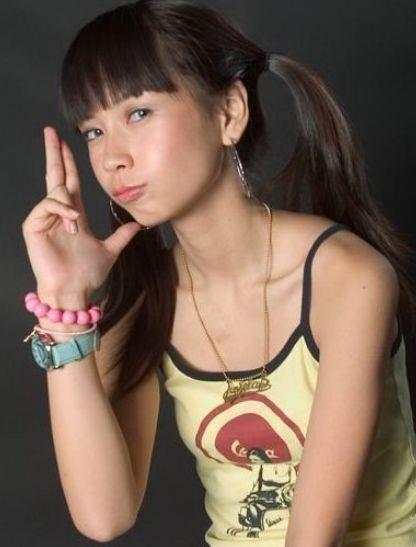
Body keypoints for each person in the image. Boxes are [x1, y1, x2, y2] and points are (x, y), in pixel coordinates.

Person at [21, 0, 416, 545]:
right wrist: (63, 303)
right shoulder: (150, 299)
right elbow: (103, 516)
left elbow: (315, 537)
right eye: (93, 131)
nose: (112, 158)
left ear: (229, 113)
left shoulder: (348, 276)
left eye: (139, 113)